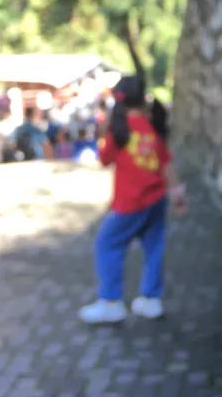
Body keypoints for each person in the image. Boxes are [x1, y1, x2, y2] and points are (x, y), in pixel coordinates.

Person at [78, 74, 187, 324]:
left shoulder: (119, 130)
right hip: (157, 198)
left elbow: (104, 160)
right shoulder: (152, 126)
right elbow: (166, 163)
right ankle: (150, 300)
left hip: (131, 201)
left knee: (107, 243)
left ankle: (110, 301)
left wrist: (103, 135)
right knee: (154, 247)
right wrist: (177, 192)